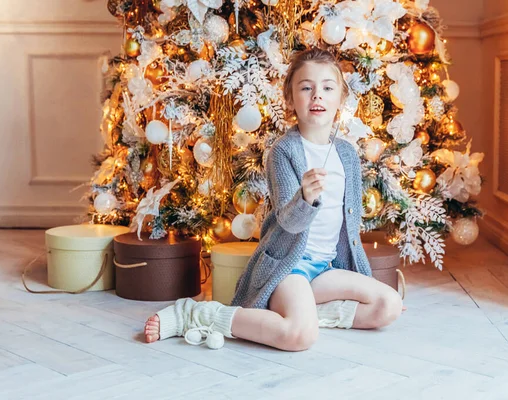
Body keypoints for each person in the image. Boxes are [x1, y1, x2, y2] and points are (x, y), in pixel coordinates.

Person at [144, 47, 403, 351]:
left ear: (340, 100)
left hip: (325, 268)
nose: (317, 95)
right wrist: (305, 197)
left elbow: (350, 232)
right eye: (306, 87)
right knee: (299, 337)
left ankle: (301, 313)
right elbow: (289, 223)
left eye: (327, 88)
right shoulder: (284, 151)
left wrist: (364, 280)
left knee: (389, 305)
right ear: (291, 99)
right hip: (290, 266)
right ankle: (200, 314)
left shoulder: (346, 154)